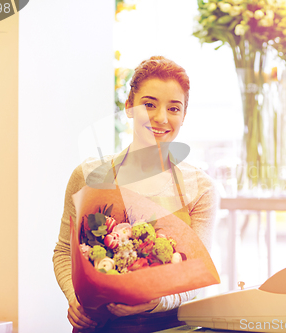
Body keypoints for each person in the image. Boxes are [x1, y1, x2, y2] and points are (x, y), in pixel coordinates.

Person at [53, 56, 219, 332]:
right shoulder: (88, 175)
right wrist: (75, 299)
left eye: (174, 108)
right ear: (129, 106)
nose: (161, 118)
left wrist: (154, 302)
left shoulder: (199, 188)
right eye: (149, 104)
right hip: (96, 326)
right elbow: (63, 252)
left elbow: (196, 277)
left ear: (184, 116)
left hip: (167, 326)